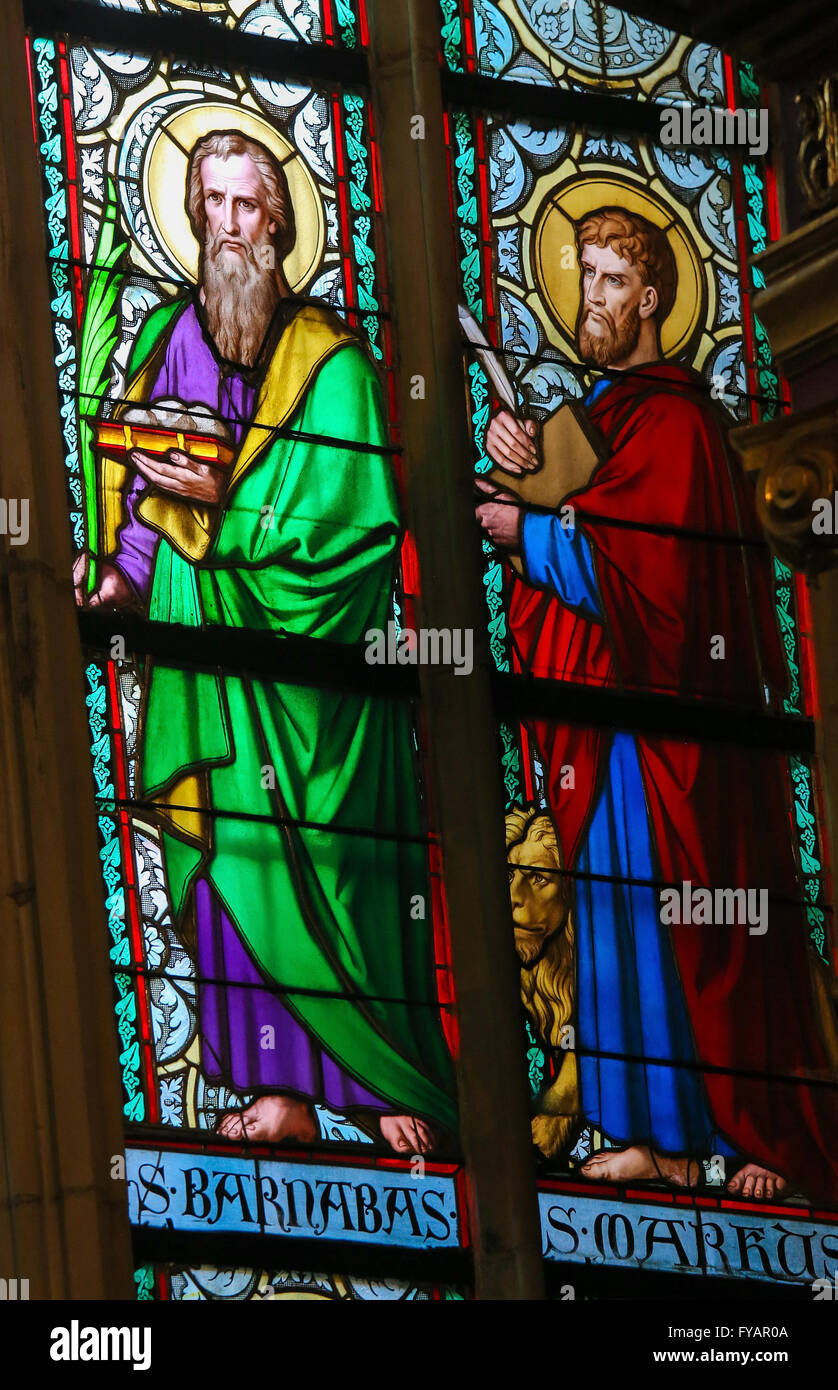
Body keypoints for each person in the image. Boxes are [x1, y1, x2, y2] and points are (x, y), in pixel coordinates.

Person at [75, 129, 455, 1152]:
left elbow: (357, 529)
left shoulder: (332, 363)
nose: (229, 226)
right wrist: (118, 577)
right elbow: (146, 508)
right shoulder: (171, 343)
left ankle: (377, 1076)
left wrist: (224, 503)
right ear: (193, 214)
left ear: (280, 222)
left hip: (324, 692)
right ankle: (274, 1089)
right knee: (229, 864)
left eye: (248, 207)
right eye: (211, 205)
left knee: (340, 865)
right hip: (214, 673)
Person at [477, 205, 838, 1201]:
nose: (586, 299)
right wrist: (521, 483)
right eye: (581, 277)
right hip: (613, 732)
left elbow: (656, 591)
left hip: (677, 747)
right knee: (612, 921)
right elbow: (587, 540)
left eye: (604, 281)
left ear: (646, 298)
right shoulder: (605, 419)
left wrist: (532, 533)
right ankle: (641, 1128)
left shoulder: (676, 422)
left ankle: (715, 1127)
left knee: (685, 926)